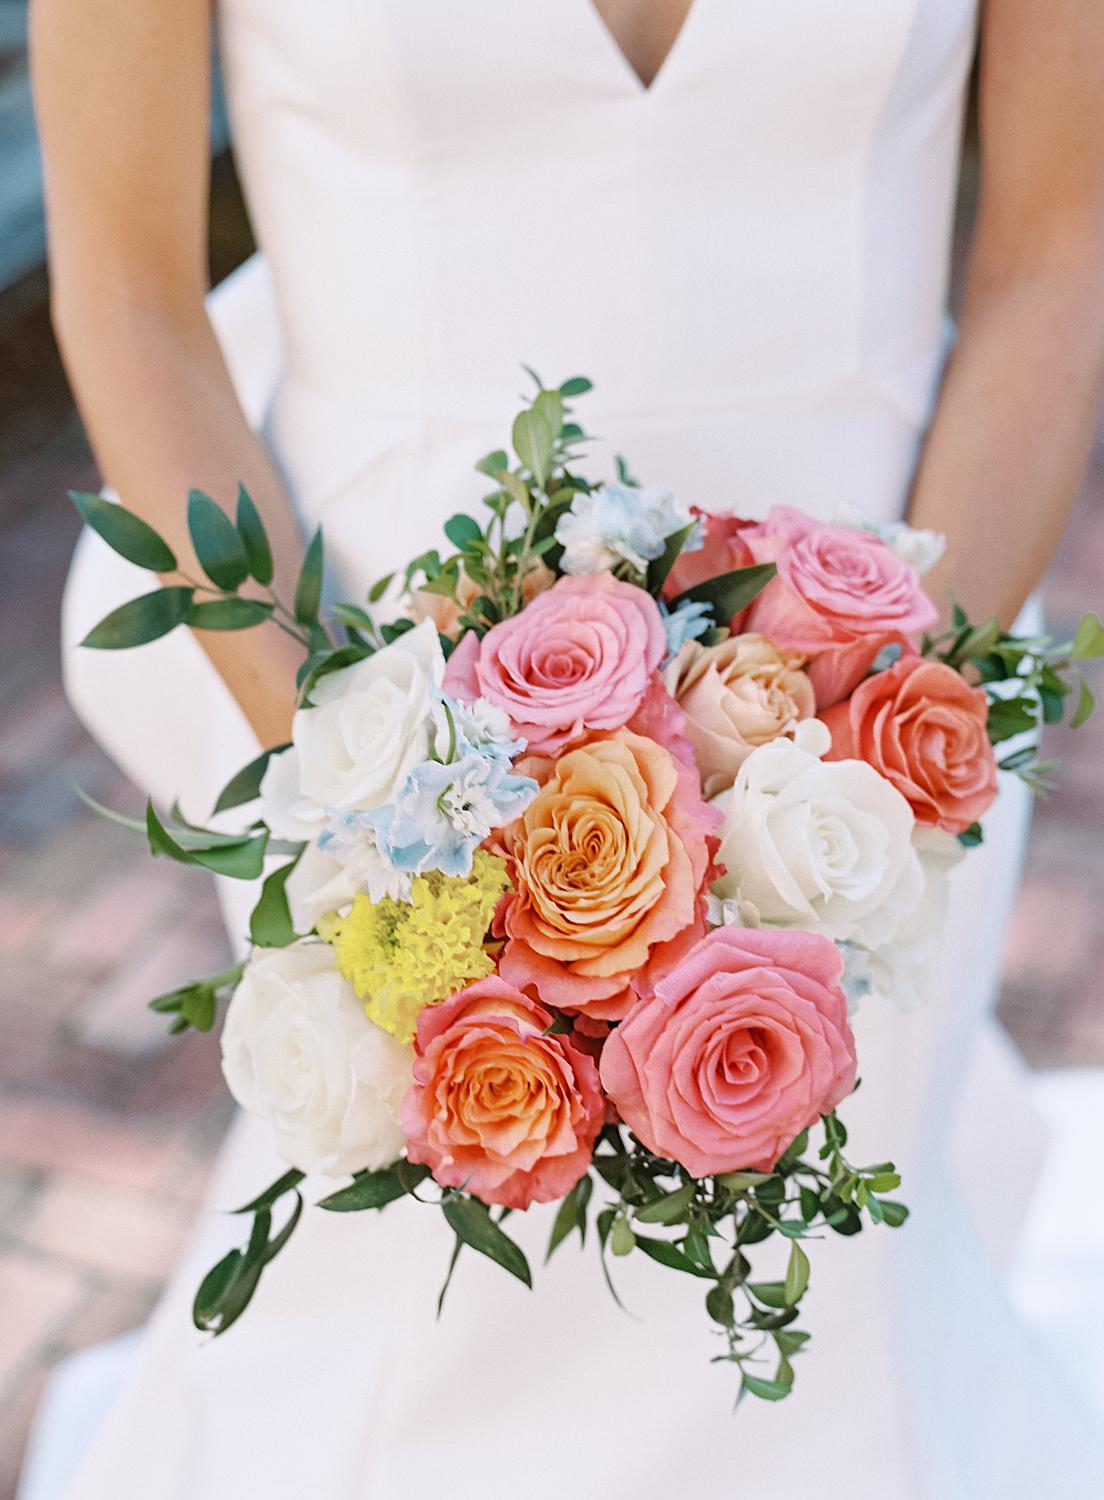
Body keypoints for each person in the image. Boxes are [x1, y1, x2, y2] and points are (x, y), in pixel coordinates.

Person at [25, 1, 1104, 1496]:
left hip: (885, 643)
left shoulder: (875, 729)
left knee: (839, 1284)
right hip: (365, 667)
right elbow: (129, 286)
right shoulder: (364, 749)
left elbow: (1057, 250)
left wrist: (868, 746)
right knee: (421, 1277)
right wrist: (369, 785)